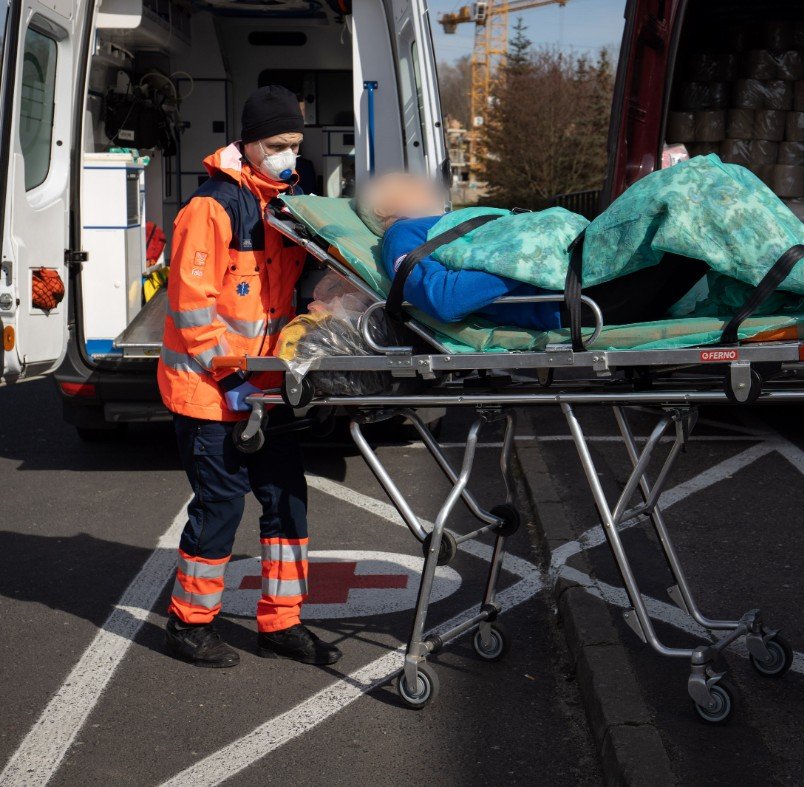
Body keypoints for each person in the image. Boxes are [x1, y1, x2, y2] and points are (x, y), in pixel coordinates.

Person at [158, 85, 341, 668]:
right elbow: (192, 308)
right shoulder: (212, 208)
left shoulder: (289, 202)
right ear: (251, 142)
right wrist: (230, 377)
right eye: (278, 144)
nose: (289, 155)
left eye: (295, 144)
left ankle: (281, 623)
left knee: (286, 500)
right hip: (210, 389)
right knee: (220, 506)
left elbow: (295, 291)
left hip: (265, 384)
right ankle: (189, 624)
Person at [355, 173, 708, 329]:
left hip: (592, 273)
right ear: (390, 208)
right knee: (693, 193)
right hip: (581, 295)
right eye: (410, 181)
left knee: (695, 203)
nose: (424, 182)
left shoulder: (452, 224)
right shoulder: (402, 234)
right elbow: (444, 298)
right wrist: (532, 256)